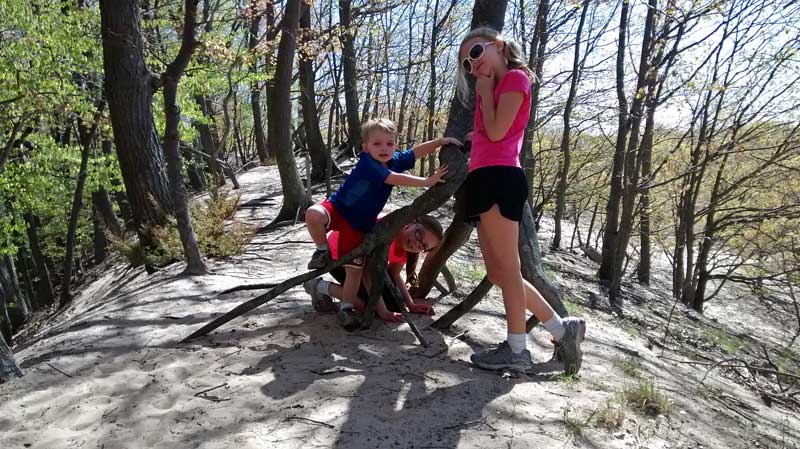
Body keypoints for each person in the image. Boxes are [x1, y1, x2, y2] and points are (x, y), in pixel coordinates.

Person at [456, 27, 586, 374]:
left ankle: (517, 350)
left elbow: (499, 132)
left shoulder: (514, 78)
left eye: (478, 51)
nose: (474, 63)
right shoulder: (496, 88)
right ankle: (562, 329)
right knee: (499, 271)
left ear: (498, 46)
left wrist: (483, 90)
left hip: (500, 177)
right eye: (468, 62)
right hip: (483, 176)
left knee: (509, 271)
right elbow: (496, 132)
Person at [304, 118, 460, 330]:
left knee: (355, 273)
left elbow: (415, 152)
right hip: (338, 209)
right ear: (365, 147)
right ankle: (321, 251)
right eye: (377, 143)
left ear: (395, 145)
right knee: (313, 213)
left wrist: (440, 141)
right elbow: (391, 178)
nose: (384, 148)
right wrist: (426, 182)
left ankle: (346, 309)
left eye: (389, 143)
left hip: (358, 226)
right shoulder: (369, 163)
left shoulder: (393, 159)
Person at [304, 215, 444, 325]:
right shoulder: (386, 229)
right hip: (339, 257)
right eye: (419, 234)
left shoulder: (406, 248)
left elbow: (394, 274)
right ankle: (318, 286)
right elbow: (366, 273)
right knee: (367, 307)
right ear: (412, 222)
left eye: (423, 245)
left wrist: (411, 305)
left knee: (395, 305)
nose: (416, 243)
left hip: (363, 268)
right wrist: (382, 312)